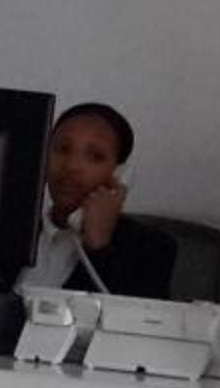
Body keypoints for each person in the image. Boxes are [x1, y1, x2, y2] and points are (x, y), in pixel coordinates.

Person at [24, 101, 179, 299]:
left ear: (118, 174)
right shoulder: (7, 228)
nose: (71, 166)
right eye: (62, 149)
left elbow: (135, 315)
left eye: (94, 156)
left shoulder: (151, 248)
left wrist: (99, 247)